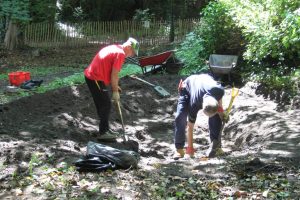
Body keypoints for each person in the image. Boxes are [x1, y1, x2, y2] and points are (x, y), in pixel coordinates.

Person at [84, 37, 139, 140]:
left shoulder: (116, 48)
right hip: (94, 77)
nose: (131, 55)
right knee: (105, 104)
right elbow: (114, 74)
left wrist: (115, 86)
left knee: (103, 104)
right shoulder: (121, 54)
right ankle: (103, 132)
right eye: (132, 52)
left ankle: (105, 129)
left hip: (94, 77)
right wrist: (115, 91)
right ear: (128, 47)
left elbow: (109, 69)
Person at [173, 73, 226, 159]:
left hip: (206, 80)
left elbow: (219, 98)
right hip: (187, 87)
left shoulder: (219, 90)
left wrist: (221, 112)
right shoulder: (195, 103)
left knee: (216, 118)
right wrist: (190, 150)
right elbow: (190, 126)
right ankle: (179, 149)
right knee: (181, 117)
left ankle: (216, 147)